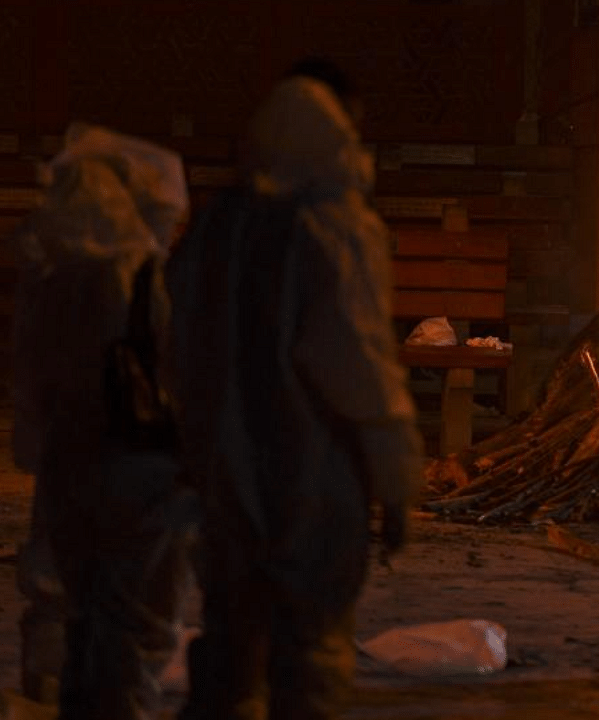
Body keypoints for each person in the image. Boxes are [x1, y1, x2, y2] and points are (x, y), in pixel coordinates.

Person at [166, 61, 423, 719]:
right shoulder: (333, 228)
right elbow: (359, 367)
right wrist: (396, 484)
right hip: (312, 475)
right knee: (310, 652)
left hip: (224, 471)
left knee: (229, 645)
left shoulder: (216, 228)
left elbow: (181, 346)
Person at [11, 124, 196, 718]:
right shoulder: (138, 275)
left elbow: (32, 378)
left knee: (74, 605)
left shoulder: (53, 273)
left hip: (68, 455)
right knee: (134, 615)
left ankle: (55, 695)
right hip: (137, 462)